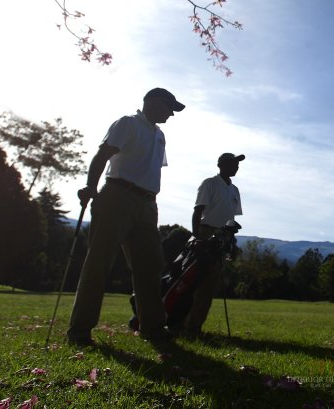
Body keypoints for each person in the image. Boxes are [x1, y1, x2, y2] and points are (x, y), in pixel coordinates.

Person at [66, 87, 185, 347]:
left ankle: (153, 328)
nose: (171, 115)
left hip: (147, 205)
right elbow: (103, 154)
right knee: (98, 263)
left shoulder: (159, 135)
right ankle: (79, 331)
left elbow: (149, 169)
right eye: (169, 108)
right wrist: (90, 186)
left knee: (150, 267)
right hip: (117, 197)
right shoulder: (128, 123)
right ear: (154, 103)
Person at [180, 152, 245, 337]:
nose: (237, 167)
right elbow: (197, 211)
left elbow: (231, 219)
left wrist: (231, 241)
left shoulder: (235, 190)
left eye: (237, 164)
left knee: (209, 285)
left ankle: (194, 326)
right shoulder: (209, 183)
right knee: (197, 282)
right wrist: (197, 237)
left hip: (224, 236)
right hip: (207, 233)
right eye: (233, 163)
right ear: (222, 165)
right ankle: (185, 324)